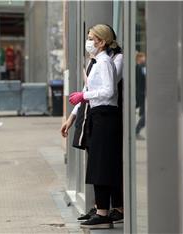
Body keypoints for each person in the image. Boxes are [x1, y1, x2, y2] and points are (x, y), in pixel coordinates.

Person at [60, 24, 124, 225]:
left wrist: (84, 96)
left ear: (102, 42)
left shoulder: (105, 62)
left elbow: (109, 91)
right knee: (98, 165)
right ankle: (101, 209)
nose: (88, 42)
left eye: (91, 38)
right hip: (98, 116)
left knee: (102, 165)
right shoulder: (97, 61)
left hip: (105, 116)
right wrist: (75, 110)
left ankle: (103, 212)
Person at [135, 52, 146, 140]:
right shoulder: (138, 68)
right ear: (139, 58)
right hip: (140, 93)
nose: (144, 59)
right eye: (143, 57)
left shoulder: (141, 67)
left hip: (142, 93)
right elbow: (138, 83)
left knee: (143, 113)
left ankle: (136, 131)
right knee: (144, 115)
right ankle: (136, 131)